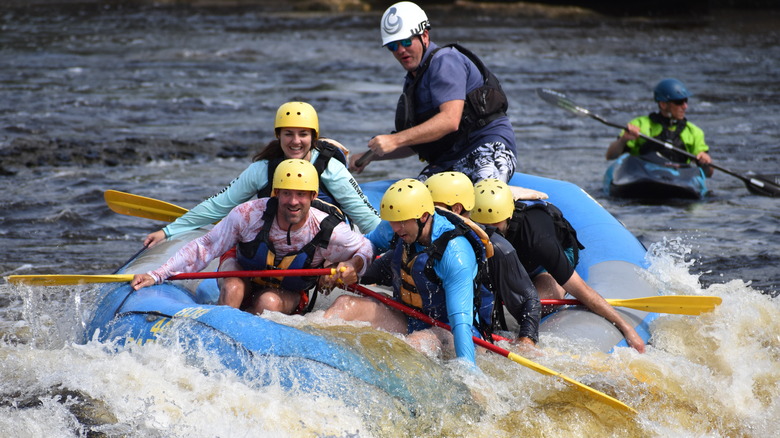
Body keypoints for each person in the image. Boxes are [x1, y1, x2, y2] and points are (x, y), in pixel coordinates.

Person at [142, 101, 380, 299]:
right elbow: (220, 204)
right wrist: (169, 232)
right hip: (259, 249)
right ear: (278, 136)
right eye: (288, 134)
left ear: (314, 137)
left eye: (303, 134)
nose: (295, 141)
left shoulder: (332, 170)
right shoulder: (262, 171)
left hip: (310, 253)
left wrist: (372, 260)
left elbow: (366, 220)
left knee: (270, 301)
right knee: (234, 288)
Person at [131, 159, 373, 316]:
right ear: (276, 193)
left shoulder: (328, 230)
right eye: (286, 194)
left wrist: (353, 265)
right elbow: (205, 246)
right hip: (243, 269)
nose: (292, 201)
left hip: (285, 291)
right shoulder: (249, 215)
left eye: (300, 194)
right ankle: (219, 328)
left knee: (268, 302)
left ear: (312, 196)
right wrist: (157, 274)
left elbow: (366, 249)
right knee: (234, 287)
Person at [324, 178, 494, 367]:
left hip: (450, 330)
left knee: (412, 345)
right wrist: (352, 264)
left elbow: (460, 321)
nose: (395, 229)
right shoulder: (399, 226)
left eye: (402, 223)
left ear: (422, 217)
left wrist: (468, 370)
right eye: (392, 222)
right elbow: (368, 243)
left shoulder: (454, 253)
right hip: (408, 316)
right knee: (343, 305)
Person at [349, 1, 517, 184]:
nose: (400, 51)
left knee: (484, 200)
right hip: (450, 159)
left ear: (425, 36)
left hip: (486, 147)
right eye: (393, 46)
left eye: (406, 42)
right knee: (411, 203)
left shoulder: (445, 61)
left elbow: (449, 121)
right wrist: (370, 156)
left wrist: (394, 139)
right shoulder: (412, 82)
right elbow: (415, 143)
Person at [471, 179, 646, 353]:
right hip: (513, 258)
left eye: (495, 224)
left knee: (531, 307)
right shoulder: (472, 227)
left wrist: (626, 327)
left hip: (541, 266)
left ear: (508, 215)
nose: (488, 232)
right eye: (482, 225)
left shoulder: (539, 241)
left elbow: (582, 290)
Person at [424, 171, 540, 346]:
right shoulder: (415, 238)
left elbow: (529, 300)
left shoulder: (497, 248)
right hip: (423, 321)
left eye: (434, 209)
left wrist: (526, 341)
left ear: (456, 209)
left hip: (471, 332)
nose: (426, 217)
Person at [606, 78, 714, 177]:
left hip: (678, 179)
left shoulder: (694, 132)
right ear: (663, 104)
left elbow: (709, 173)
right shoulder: (640, 124)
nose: (685, 106)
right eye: (679, 102)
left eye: (685, 101)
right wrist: (624, 139)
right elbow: (610, 156)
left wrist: (706, 161)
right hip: (643, 176)